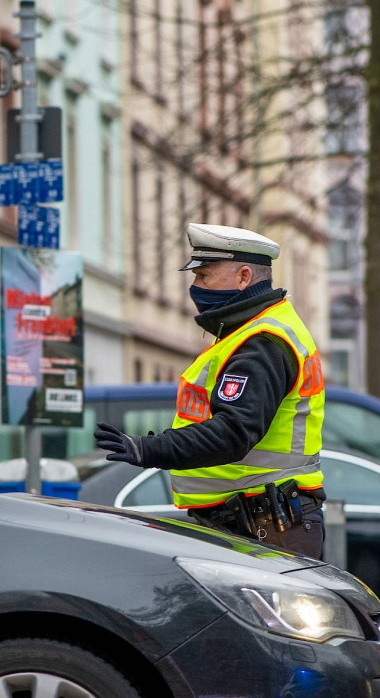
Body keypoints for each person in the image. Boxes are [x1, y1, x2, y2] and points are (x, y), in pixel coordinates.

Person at [94, 223, 326, 558]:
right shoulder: (250, 332)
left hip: (264, 527)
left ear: (244, 276)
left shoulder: (261, 343)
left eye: (204, 276)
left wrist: (150, 448)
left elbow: (233, 432)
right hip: (256, 522)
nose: (195, 287)